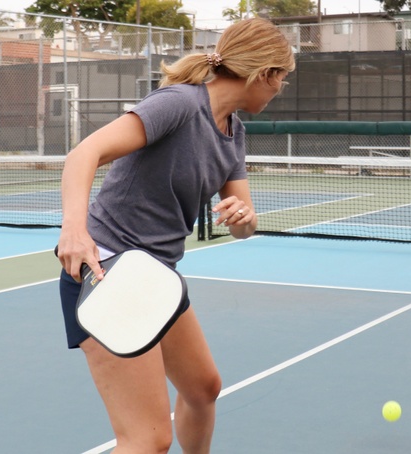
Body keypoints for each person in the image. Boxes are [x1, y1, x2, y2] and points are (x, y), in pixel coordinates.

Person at [56, 18, 294, 453]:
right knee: (147, 441)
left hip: (154, 277)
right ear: (264, 74)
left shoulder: (234, 134)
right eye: (282, 78)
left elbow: (245, 226)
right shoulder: (179, 104)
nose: (281, 88)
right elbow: (83, 153)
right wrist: (73, 229)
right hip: (108, 269)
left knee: (203, 388)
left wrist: (243, 216)